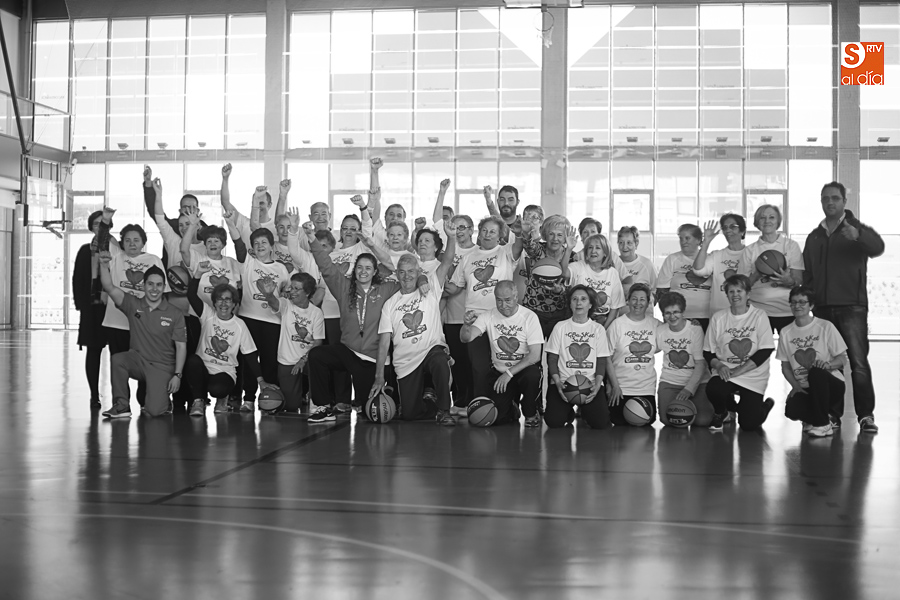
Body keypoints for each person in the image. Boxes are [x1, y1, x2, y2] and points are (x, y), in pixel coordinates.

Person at [305, 222, 416, 423]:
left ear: (375, 272)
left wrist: (423, 280)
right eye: (359, 267)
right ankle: (323, 407)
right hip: (348, 351)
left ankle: (370, 400)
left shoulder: (386, 289)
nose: (363, 271)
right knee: (317, 355)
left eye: (368, 268)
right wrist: (312, 239)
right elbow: (326, 267)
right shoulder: (344, 288)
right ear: (354, 270)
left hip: (371, 358)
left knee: (370, 412)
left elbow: (406, 276)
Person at [803, 182, 884, 434]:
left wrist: (858, 236)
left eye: (835, 198)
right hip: (822, 309)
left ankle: (866, 416)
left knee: (858, 363)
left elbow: (878, 248)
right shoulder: (814, 237)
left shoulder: (856, 229)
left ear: (844, 202)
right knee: (829, 364)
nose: (830, 202)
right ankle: (832, 415)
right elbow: (808, 274)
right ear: (821, 202)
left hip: (852, 307)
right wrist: (810, 300)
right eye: (825, 198)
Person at [371, 225, 457, 425]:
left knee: (440, 360)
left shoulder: (430, 288)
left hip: (430, 350)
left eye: (411, 271)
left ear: (419, 272)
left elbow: (447, 261)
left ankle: (444, 410)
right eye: (402, 272)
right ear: (397, 274)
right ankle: (431, 403)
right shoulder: (390, 304)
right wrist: (379, 376)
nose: (406, 276)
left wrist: (452, 237)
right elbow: (384, 343)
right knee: (409, 415)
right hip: (406, 361)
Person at [445, 216, 524, 396]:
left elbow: (519, 246)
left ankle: (506, 403)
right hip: (476, 319)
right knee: (478, 366)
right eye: (484, 231)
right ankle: (480, 402)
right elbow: (455, 286)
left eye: (492, 232)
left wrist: (519, 234)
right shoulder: (467, 258)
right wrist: (434, 285)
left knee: (503, 364)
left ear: (499, 235)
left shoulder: (505, 251)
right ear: (478, 233)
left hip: (502, 317)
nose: (487, 235)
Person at [98, 260, 186, 419]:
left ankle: (164, 400)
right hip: (138, 361)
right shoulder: (133, 304)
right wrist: (104, 266)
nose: (154, 289)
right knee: (118, 359)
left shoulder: (175, 313)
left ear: (164, 287)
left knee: (154, 411)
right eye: (150, 284)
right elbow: (109, 287)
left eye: (159, 285)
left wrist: (177, 375)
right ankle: (122, 406)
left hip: (162, 366)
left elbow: (181, 347)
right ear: (144, 285)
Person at [97, 206, 165, 407]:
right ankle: (121, 403)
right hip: (116, 323)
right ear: (122, 243)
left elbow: (163, 293)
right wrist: (105, 220)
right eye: (127, 240)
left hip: (144, 325)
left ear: (143, 242)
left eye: (136, 240)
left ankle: (146, 401)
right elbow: (102, 241)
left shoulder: (153, 260)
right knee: (119, 365)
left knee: (146, 364)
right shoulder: (116, 257)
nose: (132, 243)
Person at [228, 209, 290, 412]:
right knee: (248, 360)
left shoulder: (281, 269)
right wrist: (231, 224)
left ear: (272, 246)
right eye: (256, 243)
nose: (260, 246)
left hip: (273, 321)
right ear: (252, 247)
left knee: (270, 361)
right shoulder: (248, 263)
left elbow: (285, 295)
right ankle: (248, 398)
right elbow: (238, 245)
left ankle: (269, 399)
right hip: (248, 319)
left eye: (264, 242)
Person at [184, 273, 271, 417]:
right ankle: (198, 401)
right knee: (192, 361)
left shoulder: (240, 325)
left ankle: (222, 399)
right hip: (203, 369)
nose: (223, 303)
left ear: (234, 304)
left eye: (228, 300)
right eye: (220, 299)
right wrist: (198, 274)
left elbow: (250, 355)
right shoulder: (207, 315)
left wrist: (261, 380)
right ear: (214, 303)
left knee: (218, 389)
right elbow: (191, 295)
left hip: (224, 372)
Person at [460, 281, 543, 427]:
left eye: (507, 300)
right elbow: (466, 338)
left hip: (522, 371)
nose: (503, 305)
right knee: (497, 418)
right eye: (499, 300)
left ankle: (530, 412)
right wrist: (466, 325)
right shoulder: (488, 316)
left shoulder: (529, 317)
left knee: (533, 376)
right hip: (499, 372)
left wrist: (509, 374)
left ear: (516, 296)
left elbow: (535, 356)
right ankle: (512, 408)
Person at [703, 274, 776, 431]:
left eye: (739, 291)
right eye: (731, 291)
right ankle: (721, 412)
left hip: (753, 375)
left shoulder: (759, 316)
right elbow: (708, 352)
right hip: (726, 371)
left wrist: (738, 371)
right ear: (727, 295)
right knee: (714, 388)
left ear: (748, 294)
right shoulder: (718, 318)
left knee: (749, 425)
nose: (735, 295)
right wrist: (720, 366)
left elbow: (766, 350)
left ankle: (764, 407)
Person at [777, 286, 848, 437]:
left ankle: (822, 424)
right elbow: (785, 366)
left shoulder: (825, 326)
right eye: (793, 302)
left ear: (811, 305)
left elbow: (843, 359)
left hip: (830, 384)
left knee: (816, 372)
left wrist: (828, 365)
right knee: (792, 410)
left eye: (802, 302)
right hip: (805, 387)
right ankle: (819, 418)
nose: (797, 306)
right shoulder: (785, 332)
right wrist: (795, 386)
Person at [544, 285, 611, 429]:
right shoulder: (560, 327)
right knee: (553, 422)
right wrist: (557, 382)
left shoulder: (598, 329)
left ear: (590, 304)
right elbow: (552, 359)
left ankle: (586, 412)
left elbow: (601, 361)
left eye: (583, 299)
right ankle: (568, 413)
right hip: (564, 383)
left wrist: (597, 385)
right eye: (574, 299)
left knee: (600, 423)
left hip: (589, 384)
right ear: (570, 304)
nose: (578, 303)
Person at [265, 272, 326, 414]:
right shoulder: (286, 304)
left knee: (318, 365)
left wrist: (303, 360)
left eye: (296, 289)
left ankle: (310, 394)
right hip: (287, 361)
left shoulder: (316, 313)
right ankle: (299, 395)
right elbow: (274, 302)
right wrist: (268, 294)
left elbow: (318, 342)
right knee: (291, 406)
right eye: (291, 287)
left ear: (307, 292)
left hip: (308, 360)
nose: (291, 291)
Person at [605, 283, 660, 426]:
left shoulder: (656, 325)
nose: (638, 303)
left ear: (648, 302)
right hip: (621, 387)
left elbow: (676, 334)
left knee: (646, 420)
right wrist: (613, 385)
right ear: (628, 301)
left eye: (642, 299)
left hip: (645, 388)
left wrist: (692, 324)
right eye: (634, 299)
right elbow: (607, 358)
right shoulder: (617, 325)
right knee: (618, 421)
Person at [655, 292, 713, 427]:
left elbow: (701, 364)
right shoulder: (660, 331)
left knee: (703, 421)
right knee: (668, 419)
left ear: (683, 312)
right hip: (670, 382)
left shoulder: (695, 329)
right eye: (667, 313)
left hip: (698, 383)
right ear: (663, 314)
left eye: (676, 312)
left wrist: (689, 389)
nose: (672, 316)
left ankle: (720, 411)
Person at [743, 204, 804, 333]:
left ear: (778, 221)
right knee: (761, 346)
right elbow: (742, 285)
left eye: (771, 217)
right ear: (757, 222)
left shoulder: (791, 245)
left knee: (790, 345)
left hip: (788, 309)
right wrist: (757, 273)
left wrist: (789, 281)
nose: (767, 221)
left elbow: (799, 280)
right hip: (759, 310)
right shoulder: (750, 250)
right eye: (762, 218)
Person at [72, 210, 110, 409]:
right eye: (96, 224)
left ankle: (120, 397)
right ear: (91, 227)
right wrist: (82, 306)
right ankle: (94, 395)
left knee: (118, 353)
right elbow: (78, 279)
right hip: (92, 309)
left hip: (114, 306)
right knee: (93, 352)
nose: (100, 227)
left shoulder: (116, 248)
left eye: (103, 223)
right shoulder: (85, 251)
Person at [442, 214, 478, 416]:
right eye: (455, 228)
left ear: (471, 230)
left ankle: (473, 401)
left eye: (463, 227)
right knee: (457, 363)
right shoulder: (448, 252)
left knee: (472, 362)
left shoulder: (478, 253)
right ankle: (460, 400)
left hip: (471, 318)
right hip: (451, 316)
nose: (459, 231)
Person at [520, 215, 578, 337]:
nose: (555, 239)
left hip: (560, 312)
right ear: (545, 235)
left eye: (560, 235)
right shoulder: (538, 249)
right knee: (533, 346)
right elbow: (529, 246)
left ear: (566, 237)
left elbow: (571, 286)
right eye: (551, 234)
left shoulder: (573, 256)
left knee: (557, 349)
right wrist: (526, 233)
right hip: (533, 310)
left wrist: (560, 290)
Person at [657, 224, 712, 331]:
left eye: (687, 238)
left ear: (698, 240)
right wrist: (668, 316)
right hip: (679, 318)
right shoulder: (672, 259)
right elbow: (662, 292)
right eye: (681, 238)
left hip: (708, 316)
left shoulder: (710, 259)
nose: (683, 242)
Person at [692, 214, 748, 316]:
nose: (728, 230)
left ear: (742, 231)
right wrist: (706, 243)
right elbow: (698, 270)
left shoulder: (751, 253)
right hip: (719, 314)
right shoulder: (716, 255)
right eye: (725, 227)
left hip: (745, 313)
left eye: (733, 227)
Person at [566, 234, 625, 328]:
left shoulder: (613, 273)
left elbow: (615, 307)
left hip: (604, 322)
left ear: (605, 252)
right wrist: (568, 249)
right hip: (579, 321)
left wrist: (604, 330)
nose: (593, 251)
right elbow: (564, 273)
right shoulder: (579, 266)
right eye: (590, 247)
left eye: (598, 248)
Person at [617, 226, 657, 294]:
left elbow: (656, 290)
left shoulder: (647, 264)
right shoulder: (612, 264)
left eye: (629, 243)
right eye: (621, 242)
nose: (624, 247)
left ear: (636, 244)